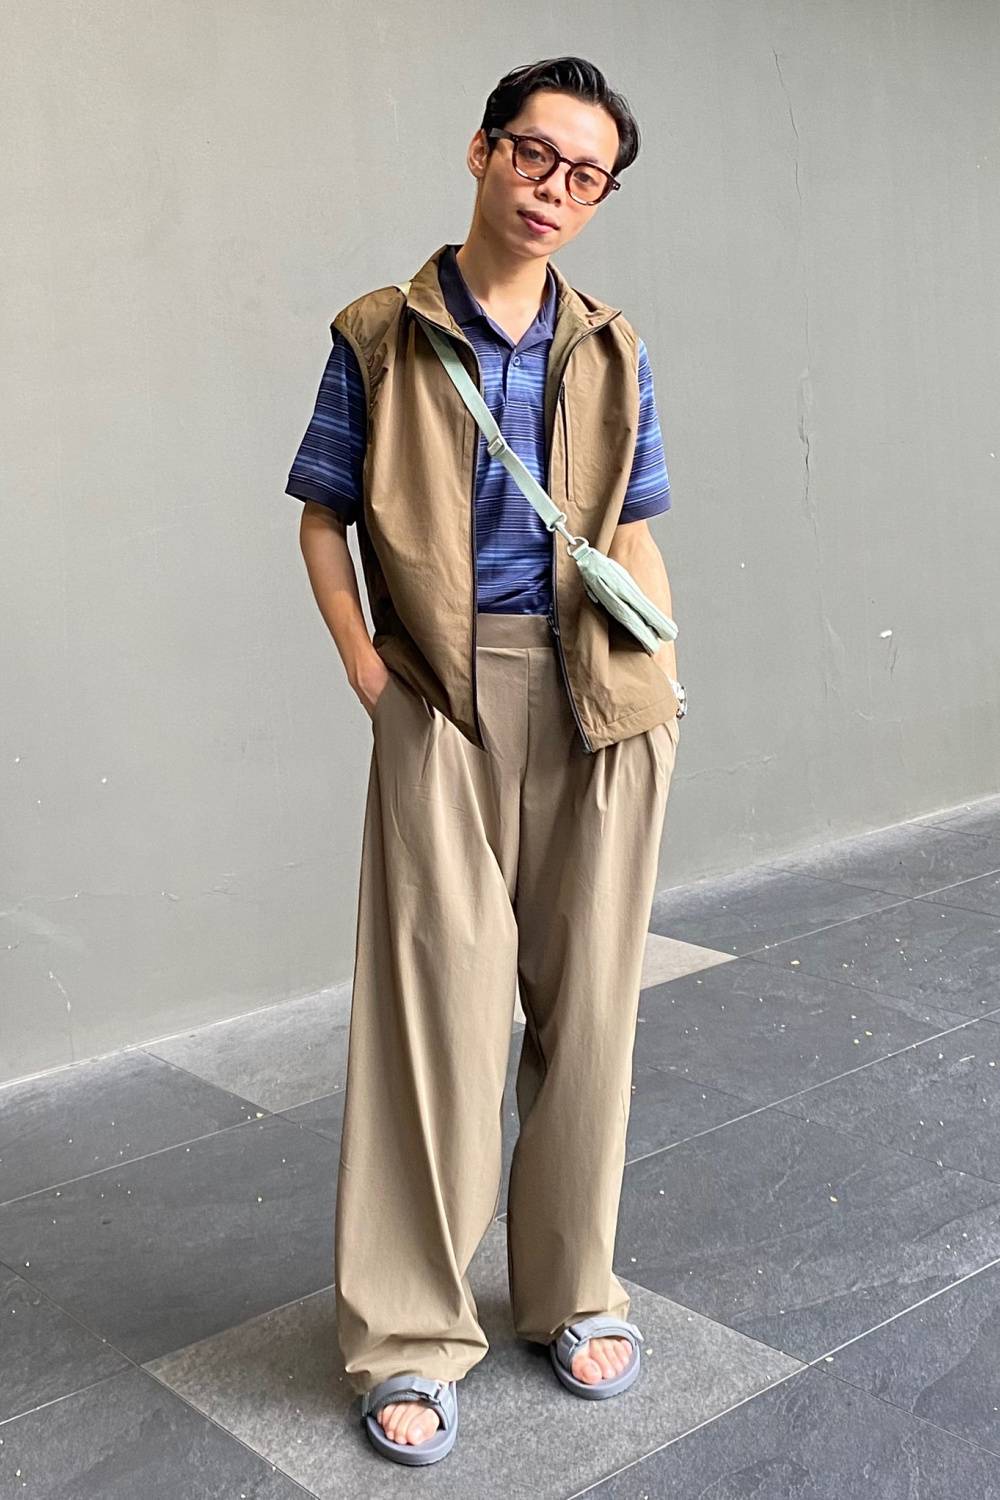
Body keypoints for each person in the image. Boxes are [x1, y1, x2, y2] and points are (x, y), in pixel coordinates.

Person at [285, 55, 685, 1467]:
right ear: (481, 150)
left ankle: (573, 1289)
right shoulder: (380, 335)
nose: (554, 189)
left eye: (586, 175)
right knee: (434, 1019)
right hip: (443, 697)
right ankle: (408, 1331)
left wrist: (664, 681)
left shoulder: (613, 347)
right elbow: (322, 516)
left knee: (594, 1011)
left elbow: (633, 525)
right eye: (535, 154)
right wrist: (368, 670)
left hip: (600, 695)